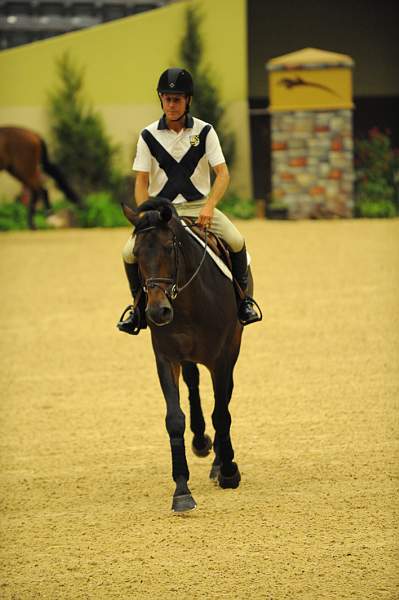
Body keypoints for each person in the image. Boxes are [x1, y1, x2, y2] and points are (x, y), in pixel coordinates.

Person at [117, 67, 261, 335]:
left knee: (236, 240)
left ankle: (244, 303)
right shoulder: (148, 135)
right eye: (167, 98)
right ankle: (137, 310)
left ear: (188, 101)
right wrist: (145, 214)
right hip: (162, 213)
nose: (172, 105)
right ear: (161, 99)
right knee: (128, 252)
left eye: (177, 99)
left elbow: (223, 174)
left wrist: (209, 206)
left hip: (199, 208)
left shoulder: (205, 132)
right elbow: (141, 181)